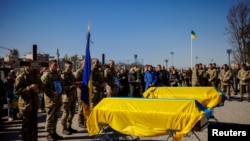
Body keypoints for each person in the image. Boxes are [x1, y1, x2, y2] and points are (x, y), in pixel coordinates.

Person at [14, 64, 40, 141]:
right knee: (26, 127)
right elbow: (16, 91)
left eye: (32, 65)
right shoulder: (21, 76)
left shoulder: (35, 76)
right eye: (29, 65)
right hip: (26, 105)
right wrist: (29, 88)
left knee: (33, 125)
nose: (32, 67)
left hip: (34, 104)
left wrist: (38, 90)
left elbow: (41, 87)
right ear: (25, 66)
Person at [40, 59, 64, 141]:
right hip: (50, 100)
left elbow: (60, 84)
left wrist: (62, 89)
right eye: (54, 65)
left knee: (56, 117)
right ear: (50, 65)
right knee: (50, 117)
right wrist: (51, 92)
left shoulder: (57, 74)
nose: (56, 66)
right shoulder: (46, 75)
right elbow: (42, 87)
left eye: (56, 65)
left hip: (58, 99)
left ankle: (54, 132)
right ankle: (49, 134)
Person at [60, 61, 78, 135]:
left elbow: (74, 82)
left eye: (71, 66)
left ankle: (69, 126)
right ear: (65, 66)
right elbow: (61, 87)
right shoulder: (63, 75)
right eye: (69, 66)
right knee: (66, 113)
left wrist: (77, 84)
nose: (71, 67)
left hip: (73, 96)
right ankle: (64, 128)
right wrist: (71, 87)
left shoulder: (72, 75)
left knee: (72, 113)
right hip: (66, 97)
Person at [74, 59, 85, 128]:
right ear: (81, 64)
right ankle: (80, 122)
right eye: (84, 63)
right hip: (80, 91)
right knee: (81, 107)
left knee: (85, 106)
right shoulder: (79, 71)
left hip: (86, 90)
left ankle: (84, 120)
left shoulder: (87, 71)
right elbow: (75, 81)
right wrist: (81, 83)